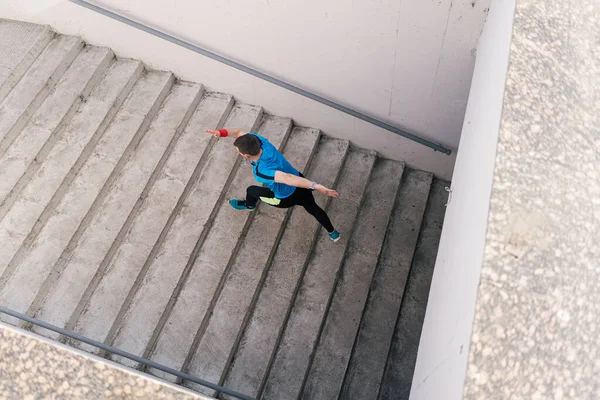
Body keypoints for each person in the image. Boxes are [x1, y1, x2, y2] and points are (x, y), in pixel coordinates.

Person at [205, 128, 341, 242]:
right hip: (301, 184)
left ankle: (249, 205)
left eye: (239, 151)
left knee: (252, 190)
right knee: (312, 207)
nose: (238, 152)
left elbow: (286, 178)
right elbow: (239, 132)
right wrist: (221, 133)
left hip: (284, 198)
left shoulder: (260, 171)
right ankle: (333, 233)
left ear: (246, 156)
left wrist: (316, 186)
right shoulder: (261, 142)